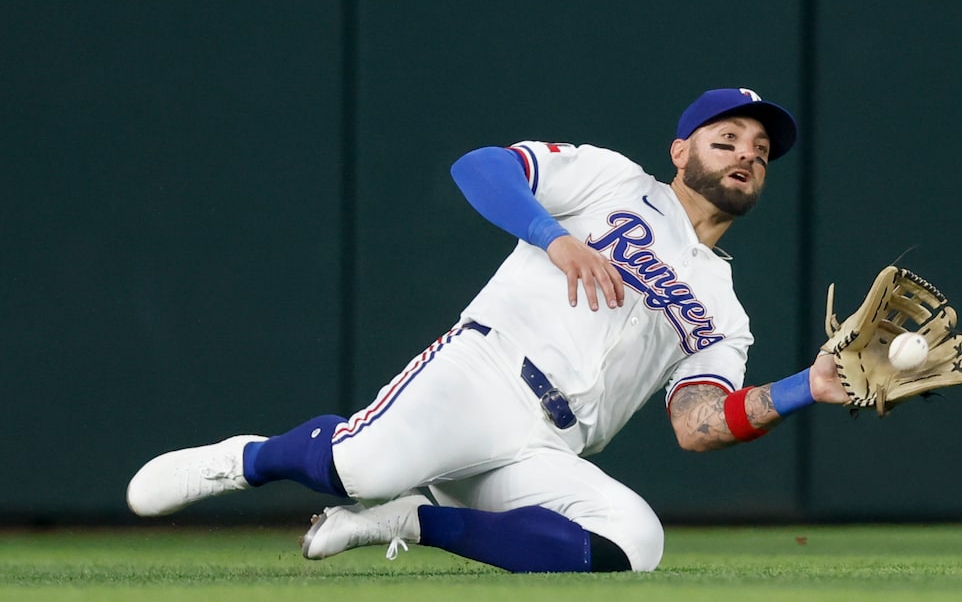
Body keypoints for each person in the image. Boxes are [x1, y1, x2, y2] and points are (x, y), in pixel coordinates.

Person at [126, 87, 851, 573]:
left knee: (636, 542)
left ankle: (410, 522)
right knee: (360, 468)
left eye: (760, 151)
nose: (747, 155)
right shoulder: (611, 181)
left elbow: (698, 424)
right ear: (680, 151)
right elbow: (479, 166)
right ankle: (246, 459)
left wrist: (806, 387)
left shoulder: (723, 309)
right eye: (728, 139)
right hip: (486, 375)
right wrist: (552, 236)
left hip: (548, 444)